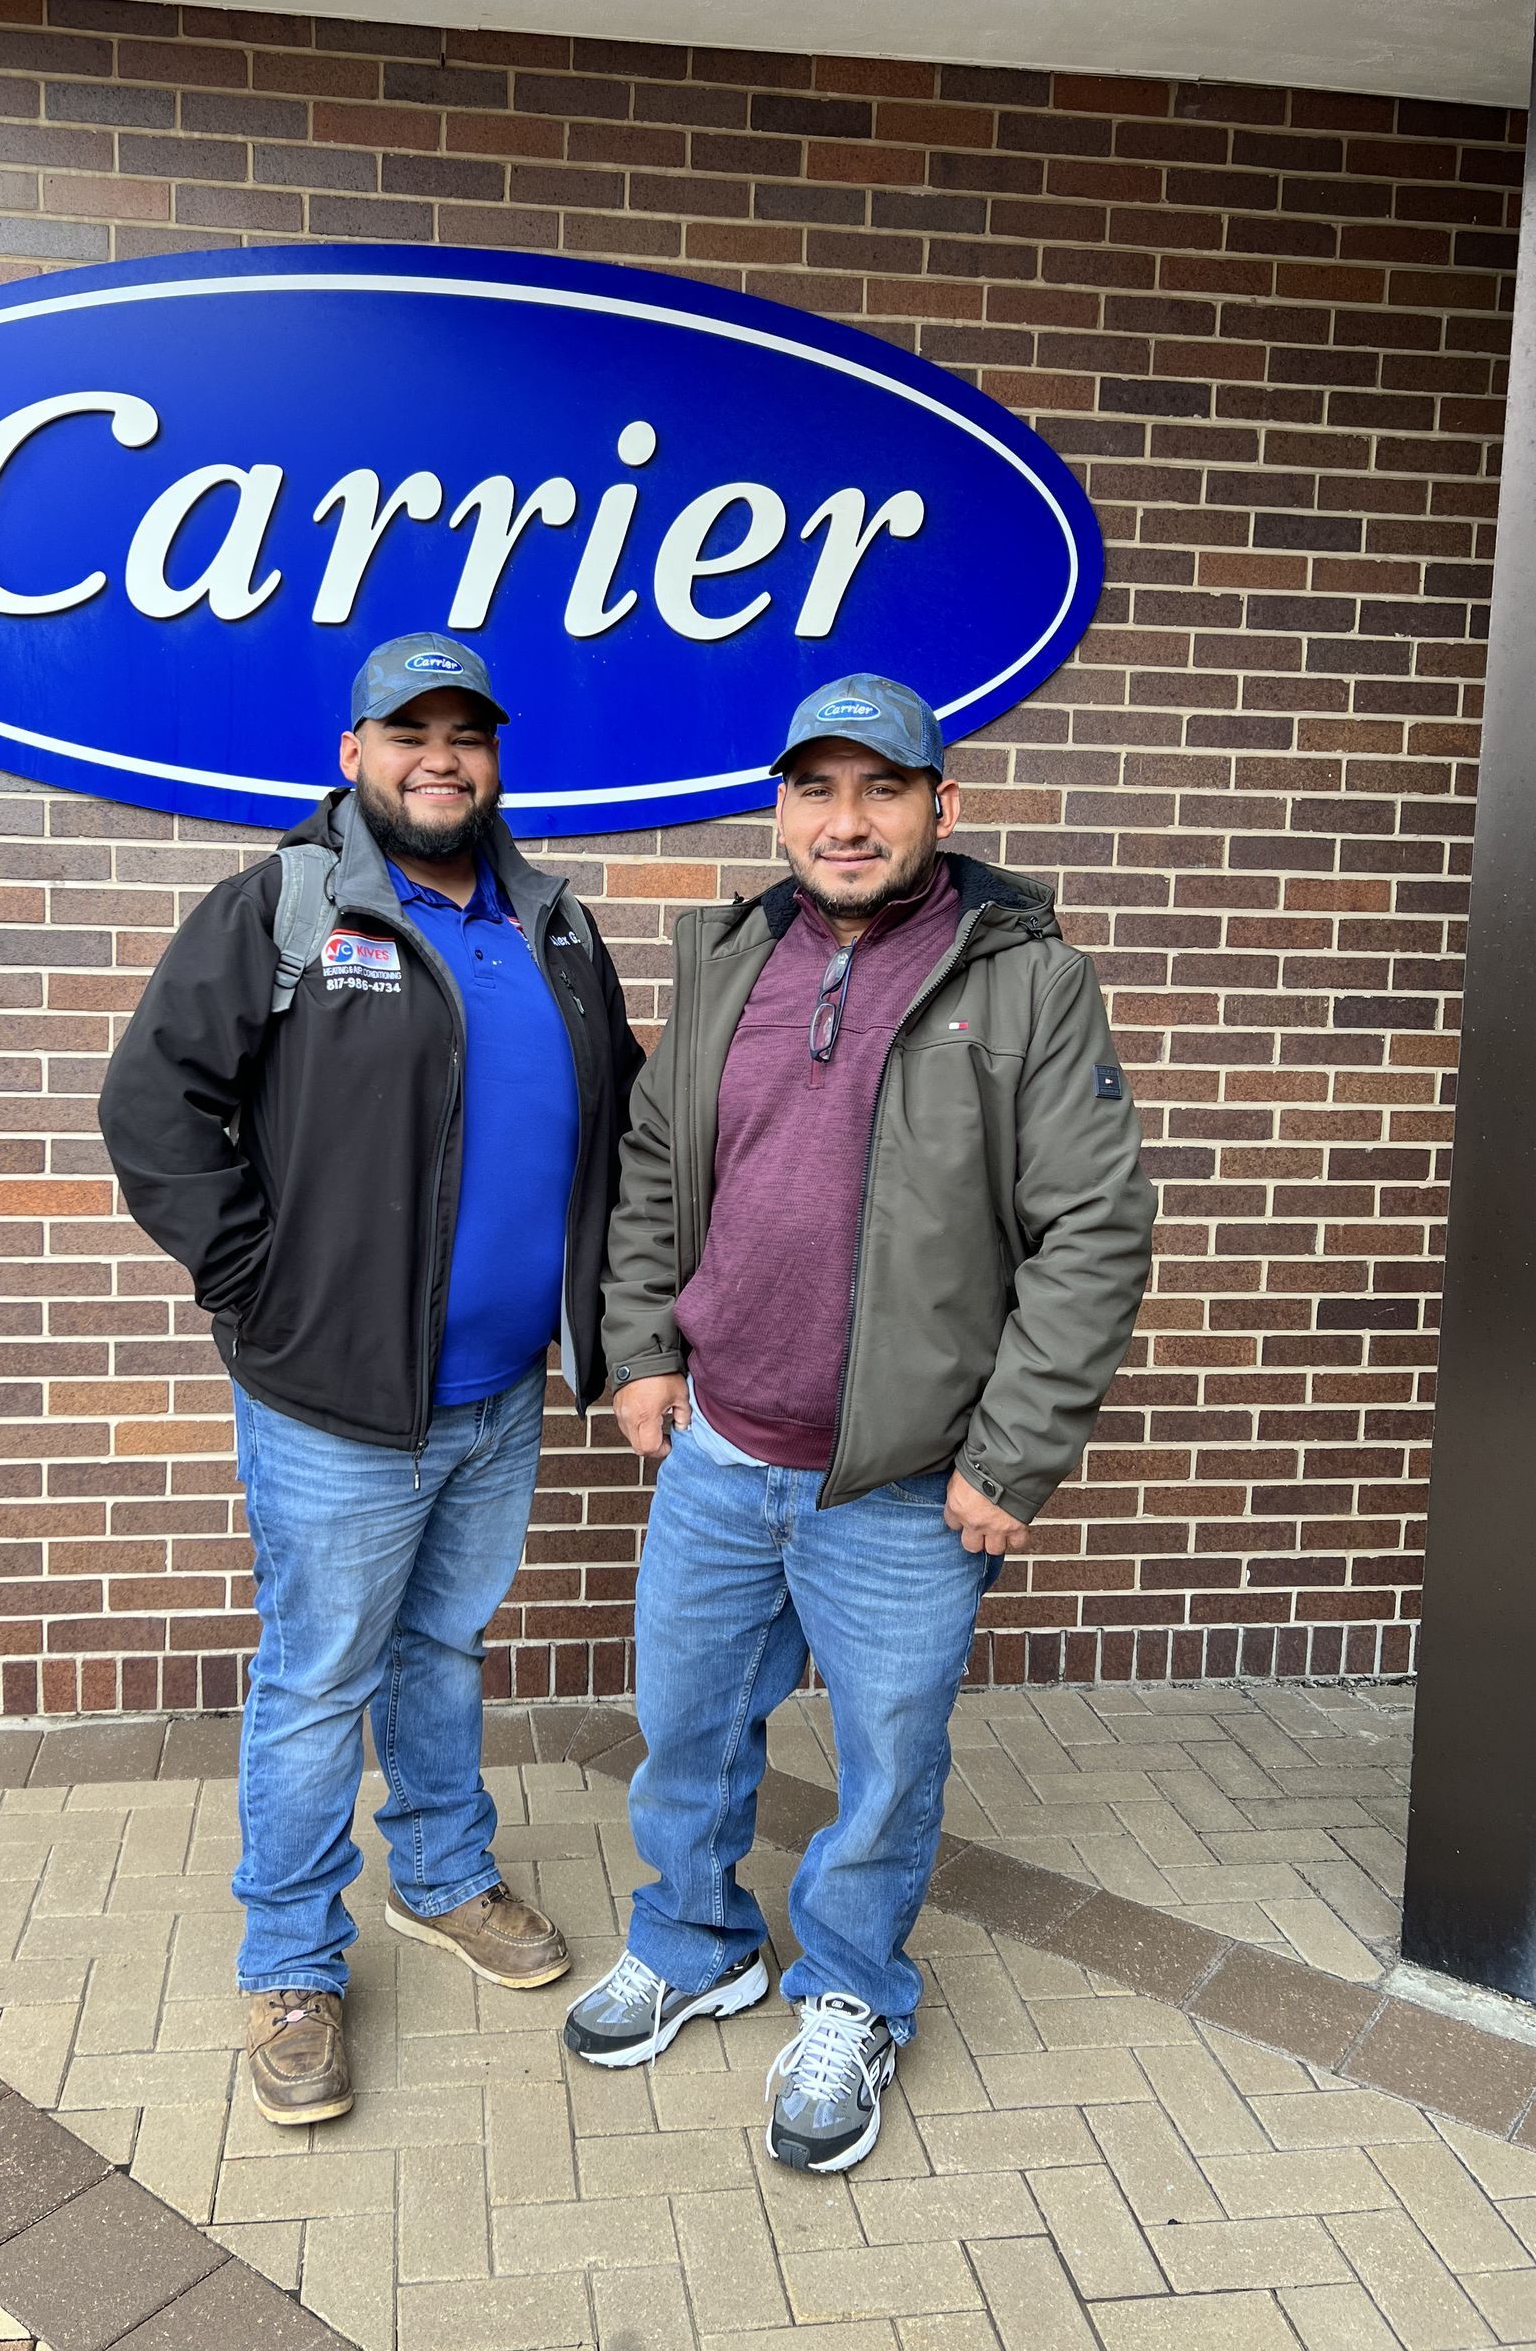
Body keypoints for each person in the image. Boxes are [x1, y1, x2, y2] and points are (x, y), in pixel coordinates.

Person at [564, 672, 1155, 2173]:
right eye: (817, 791)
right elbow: (651, 1173)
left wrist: (1012, 1454)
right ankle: (696, 1942)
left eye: (881, 789)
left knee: (888, 1762)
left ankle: (849, 1988)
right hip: (719, 1450)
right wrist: (641, 1353)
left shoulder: (1022, 975)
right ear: (780, 809)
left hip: (903, 1479)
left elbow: (1093, 1228)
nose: (847, 821)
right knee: (687, 1728)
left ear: (940, 807)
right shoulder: (729, 959)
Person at [99, 634, 641, 2128]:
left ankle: (447, 1881)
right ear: (354, 754)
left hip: (498, 1393)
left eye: (467, 733)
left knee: (444, 1648)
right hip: (334, 1397)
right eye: (410, 732)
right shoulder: (283, 909)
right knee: (314, 1679)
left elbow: (624, 1134)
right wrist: (253, 1286)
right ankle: (290, 1962)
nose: (441, 758)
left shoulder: (556, 926)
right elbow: (152, 1105)